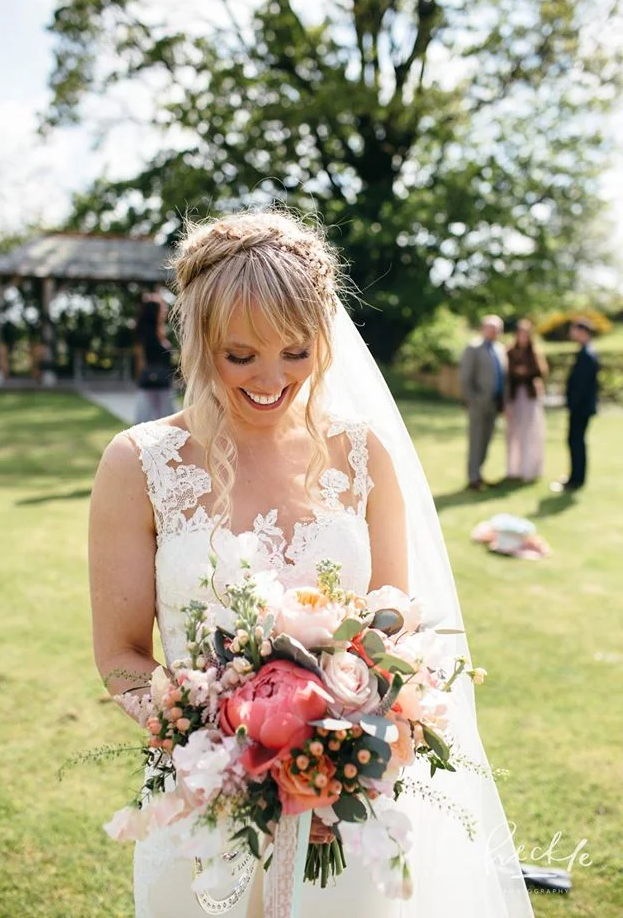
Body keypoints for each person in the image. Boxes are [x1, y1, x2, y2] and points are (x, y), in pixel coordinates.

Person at [89, 211, 534, 917]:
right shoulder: (139, 463)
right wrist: (224, 752)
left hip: (343, 815)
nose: (272, 379)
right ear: (198, 341)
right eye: (241, 355)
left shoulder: (362, 454)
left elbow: (394, 623)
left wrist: (348, 747)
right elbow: (119, 655)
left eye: (296, 352)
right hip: (202, 805)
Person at [551, 317, 600, 492]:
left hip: (581, 408)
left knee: (576, 441)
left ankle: (576, 480)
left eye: (574, 330)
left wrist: (572, 403)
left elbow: (582, 385)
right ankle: (575, 477)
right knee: (576, 441)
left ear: (582, 331)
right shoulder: (586, 351)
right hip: (581, 407)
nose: (571, 333)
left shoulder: (587, 354)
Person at [459, 315, 507, 490]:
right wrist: (473, 399)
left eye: (497, 329)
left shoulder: (500, 349)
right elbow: (465, 377)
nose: (494, 332)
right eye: (491, 328)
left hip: (495, 403)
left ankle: (479, 473)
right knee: (476, 441)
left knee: (486, 440)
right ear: (483, 329)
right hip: (478, 403)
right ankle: (473, 478)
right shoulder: (473, 348)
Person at [505, 319, 548, 482]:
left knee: (531, 432)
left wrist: (526, 371)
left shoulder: (534, 352)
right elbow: (507, 376)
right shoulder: (509, 352)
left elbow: (541, 372)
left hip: (530, 397)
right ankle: (514, 469)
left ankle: (530, 468)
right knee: (514, 432)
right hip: (515, 396)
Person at [133, 294, 177, 423]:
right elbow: (140, 359)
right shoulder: (144, 334)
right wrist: (139, 379)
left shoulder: (161, 331)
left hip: (164, 383)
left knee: (167, 422)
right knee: (145, 421)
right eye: (162, 309)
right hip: (149, 382)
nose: (164, 312)